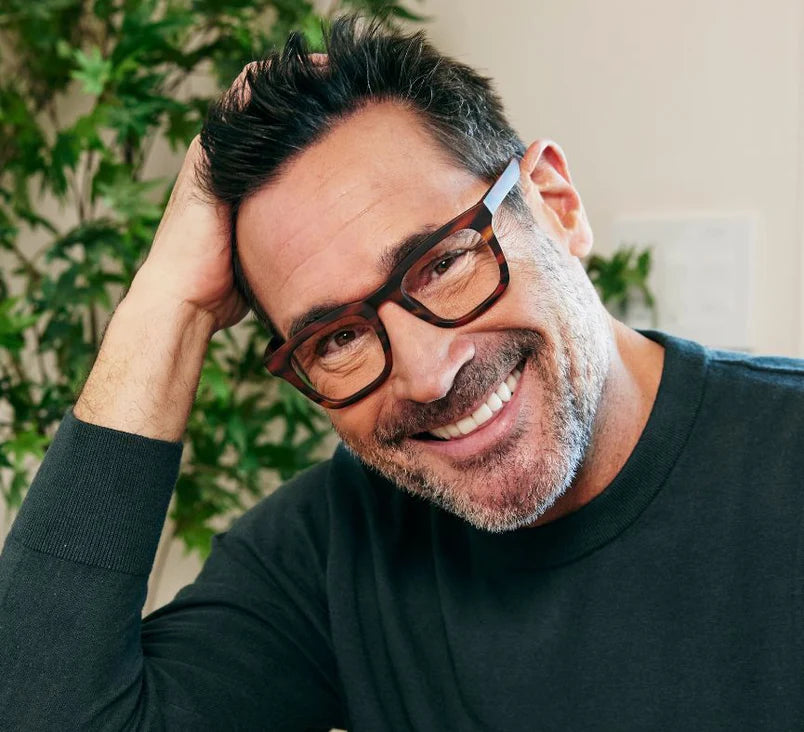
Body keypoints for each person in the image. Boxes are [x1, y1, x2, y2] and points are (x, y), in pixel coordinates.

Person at [1, 16, 803, 732]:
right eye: (338, 337)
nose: (425, 374)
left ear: (555, 204)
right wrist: (169, 300)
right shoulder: (328, 551)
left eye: (444, 262)